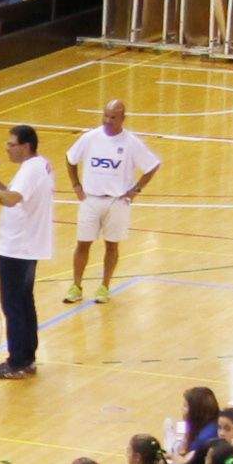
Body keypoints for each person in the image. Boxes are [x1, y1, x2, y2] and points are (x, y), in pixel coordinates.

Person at [58, 99, 160, 309]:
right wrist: (76, 184)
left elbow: (152, 165)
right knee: (83, 243)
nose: (108, 120)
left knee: (111, 245)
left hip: (117, 201)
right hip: (91, 199)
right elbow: (70, 159)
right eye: (105, 115)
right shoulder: (90, 138)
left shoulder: (131, 142)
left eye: (113, 117)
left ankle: (104, 286)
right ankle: (76, 286)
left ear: (123, 118)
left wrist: (136, 190)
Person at [0, 121, 49, 380]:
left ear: (26, 146)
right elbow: (16, 196)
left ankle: (17, 361)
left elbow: (12, 200)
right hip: (28, 246)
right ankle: (27, 357)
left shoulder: (30, 170)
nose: (7, 149)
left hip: (17, 247)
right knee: (25, 302)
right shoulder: (39, 166)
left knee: (13, 304)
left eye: (11, 144)